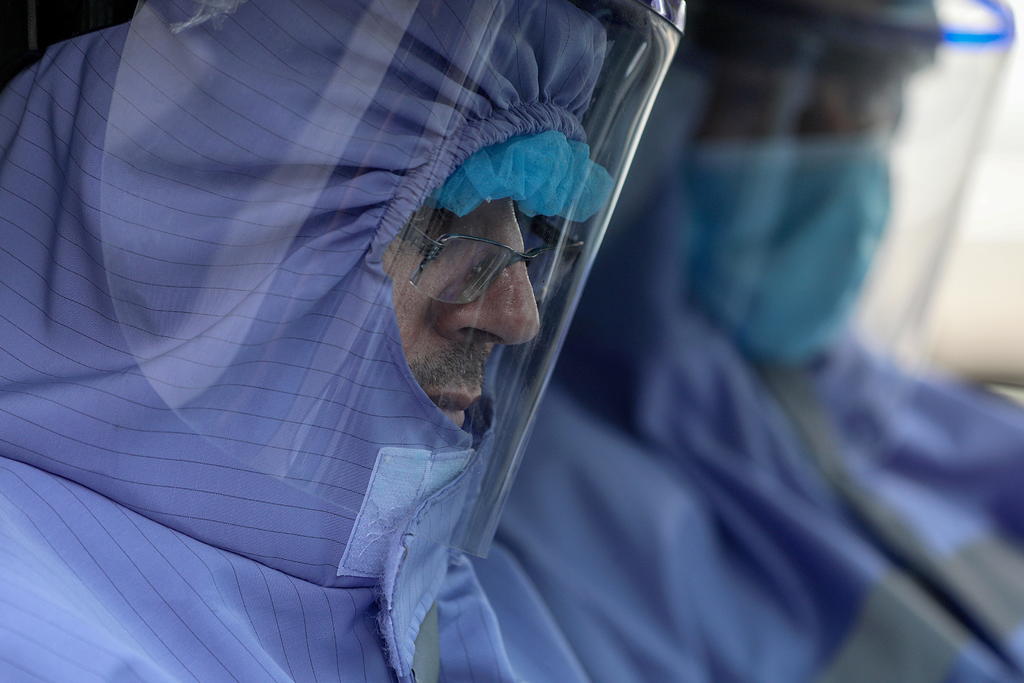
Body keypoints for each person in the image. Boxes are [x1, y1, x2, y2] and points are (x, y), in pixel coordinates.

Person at [0, 0, 681, 680]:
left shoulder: (426, 595)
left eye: (529, 225)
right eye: (434, 217)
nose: (516, 315)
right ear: (183, 230)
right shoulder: (37, 642)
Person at [476, 0, 1024, 681]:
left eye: (869, 90)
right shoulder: (536, 512)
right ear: (637, 109)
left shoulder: (945, 430)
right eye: (765, 99)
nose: (845, 148)